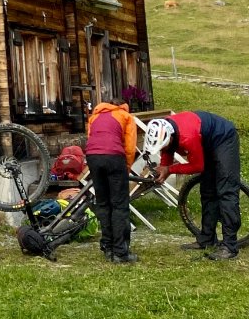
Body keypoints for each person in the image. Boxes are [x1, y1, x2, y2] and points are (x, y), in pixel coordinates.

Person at [144, 111, 241, 260]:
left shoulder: (187, 137)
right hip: (205, 141)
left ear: (170, 136)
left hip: (223, 138)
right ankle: (206, 240)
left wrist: (169, 169)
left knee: (226, 192)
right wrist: (164, 168)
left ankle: (230, 246)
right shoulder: (164, 129)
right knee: (208, 192)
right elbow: (167, 150)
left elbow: (197, 166)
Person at [85, 98, 138, 264]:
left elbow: (90, 139)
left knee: (103, 203)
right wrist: (126, 167)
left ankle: (107, 247)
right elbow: (129, 147)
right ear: (122, 105)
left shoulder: (94, 117)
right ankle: (121, 252)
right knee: (119, 205)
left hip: (93, 157)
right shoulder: (126, 117)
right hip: (114, 157)